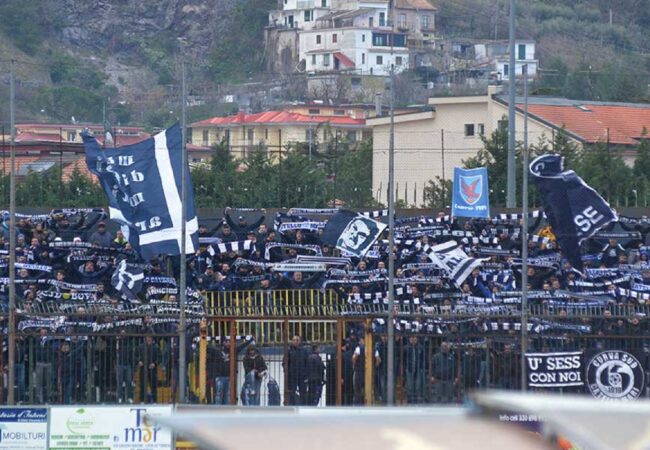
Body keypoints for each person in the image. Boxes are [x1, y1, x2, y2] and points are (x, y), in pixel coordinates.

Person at [284, 335, 308, 405]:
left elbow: (307, 363)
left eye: (297, 340)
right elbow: (285, 363)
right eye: (294, 340)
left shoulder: (304, 351)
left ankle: (303, 407)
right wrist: (287, 372)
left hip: (302, 375)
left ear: (300, 341)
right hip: (292, 376)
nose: (295, 342)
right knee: (291, 393)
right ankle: (292, 407)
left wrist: (306, 374)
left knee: (303, 393)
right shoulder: (289, 351)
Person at [137, 335, 160, 403]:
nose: (148, 338)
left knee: (153, 385)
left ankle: (154, 401)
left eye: (150, 337)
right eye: (147, 337)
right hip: (143, 368)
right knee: (142, 384)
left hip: (152, 369)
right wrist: (139, 361)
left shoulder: (156, 347)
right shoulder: (141, 346)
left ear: (152, 338)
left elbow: (159, 357)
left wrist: (154, 363)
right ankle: (142, 400)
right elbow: (136, 355)